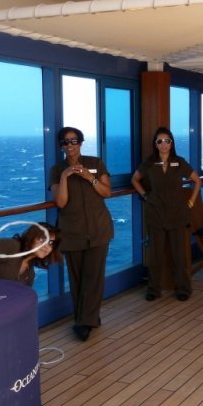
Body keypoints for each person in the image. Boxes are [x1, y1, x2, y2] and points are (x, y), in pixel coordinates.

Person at [49, 126, 114, 341]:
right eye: (65, 142)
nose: (70, 145)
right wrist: (66, 176)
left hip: (98, 229)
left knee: (93, 277)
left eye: (73, 141)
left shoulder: (95, 163)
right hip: (72, 231)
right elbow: (60, 201)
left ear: (81, 142)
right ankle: (86, 318)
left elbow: (107, 192)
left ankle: (85, 322)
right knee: (77, 279)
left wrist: (89, 177)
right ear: (61, 146)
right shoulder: (57, 170)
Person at [131, 127, 201, 302]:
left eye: (167, 141)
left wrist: (191, 202)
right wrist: (145, 195)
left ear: (172, 143)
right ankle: (153, 290)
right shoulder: (149, 163)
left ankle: (183, 289)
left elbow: (197, 181)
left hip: (177, 213)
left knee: (179, 255)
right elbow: (134, 179)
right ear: (155, 144)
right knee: (155, 255)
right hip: (155, 213)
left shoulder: (179, 162)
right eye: (159, 141)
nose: (163, 144)